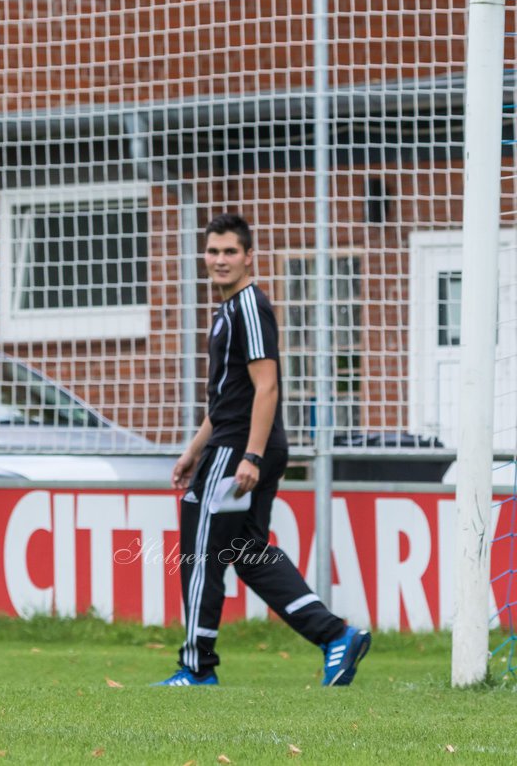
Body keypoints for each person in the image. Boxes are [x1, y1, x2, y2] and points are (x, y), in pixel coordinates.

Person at [154, 213, 370, 687]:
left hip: (241, 449)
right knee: (246, 551)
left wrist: (248, 457)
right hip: (241, 442)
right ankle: (336, 637)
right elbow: (229, 398)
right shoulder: (228, 310)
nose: (220, 260)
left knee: (200, 554)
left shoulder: (249, 306)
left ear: (249, 256)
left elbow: (266, 386)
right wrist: (193, 450)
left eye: (230, 251)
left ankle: (195, 668)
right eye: (213, 252)